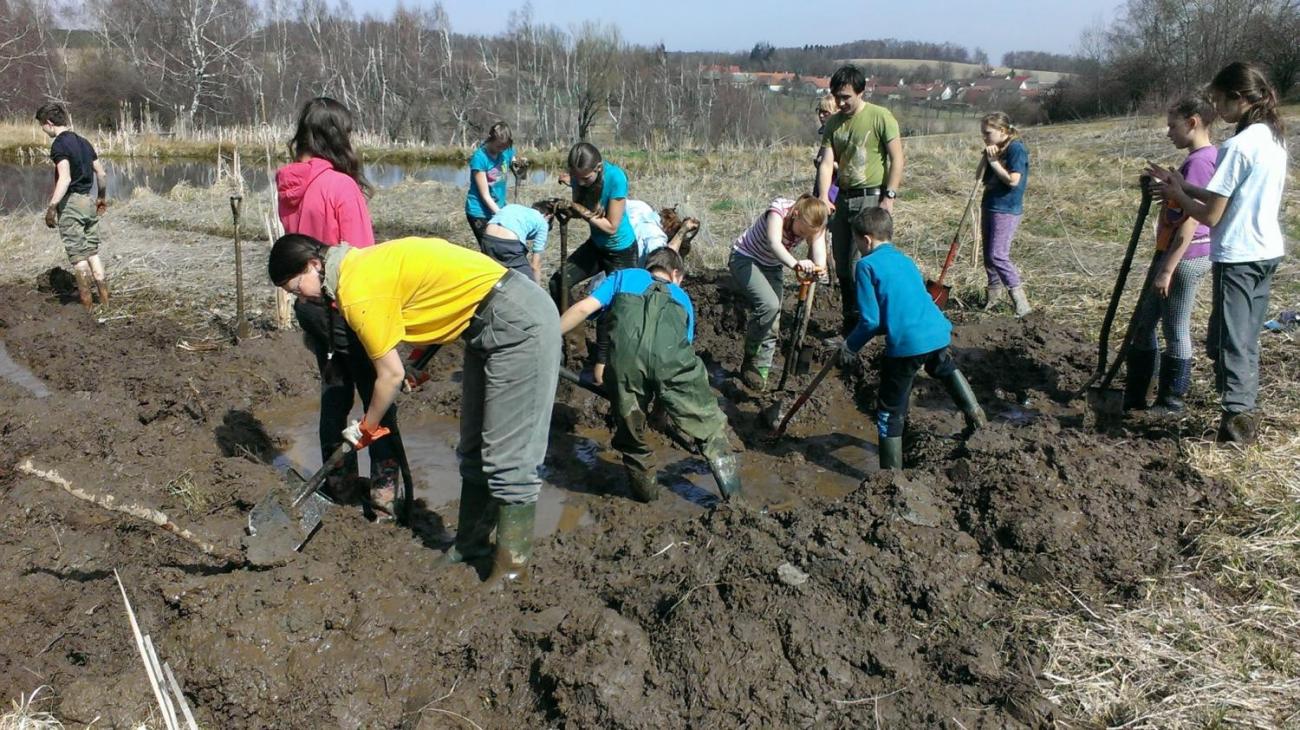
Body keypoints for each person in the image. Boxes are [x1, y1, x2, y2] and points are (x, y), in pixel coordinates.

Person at [268, 235, 560, 583]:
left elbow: (389, 376)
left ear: (314, 266)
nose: (300, 297)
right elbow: (435, 297)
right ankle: (470, 545)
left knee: (509, 458)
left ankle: (512, 568)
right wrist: (419, 359)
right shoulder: (357, 267)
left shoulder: (357, 289)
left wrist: (366, 428)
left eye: (297, 287)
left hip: (518, 322)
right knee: (472, 449)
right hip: (482, 323)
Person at [1146, 62, 1288, 445]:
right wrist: (1184, 186)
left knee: (1230, 342)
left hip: (1239, 254)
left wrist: (1178, 197)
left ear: (1238, 99)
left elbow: (1211, 215)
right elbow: (1228, 197)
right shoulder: (1272, 137)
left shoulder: (1237, 145)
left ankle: (1238, 424)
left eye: (1220, 100)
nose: (1217, 109)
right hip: (1267, 250)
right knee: (1236, 336)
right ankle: (1240, 406)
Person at [276, 97, 405, 516]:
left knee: (334, 392)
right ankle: (384, 495)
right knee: (375, 395)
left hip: (311, 309)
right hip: (347, 308)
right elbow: (364, 262)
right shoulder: (340, 187)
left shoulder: (288, 187)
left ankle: (341, 482)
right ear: (335, 135)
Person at [559, 248, 740, 503]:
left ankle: (647, 500)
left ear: (649, 267)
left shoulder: (622, 277)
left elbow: (582, 309)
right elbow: (675, 357)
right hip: (674, 362)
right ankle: (735, 498)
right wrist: (661, 410)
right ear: (675, 274)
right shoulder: (683, 298)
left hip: (625, 364)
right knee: (709, 429)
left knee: (632, 435)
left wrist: (548, 334)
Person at [836, 208, 985, 469]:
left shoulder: (866, 266)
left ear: (866, 240)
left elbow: (870, 321)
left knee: (889, 408)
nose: (858, 247)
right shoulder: (905, 260)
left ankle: (890, 475)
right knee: (944, 367)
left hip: (908, 344)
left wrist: (850, 346)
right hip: (937, 332)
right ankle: (977, 418)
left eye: (857, 242)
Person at [1124, 95, 1217, 414]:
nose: (1168, 133)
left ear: (1193, 123)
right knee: (1144, 324)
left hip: (1185, 257)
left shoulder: (1201, 162)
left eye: (1172, 126)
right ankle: (1135, 397)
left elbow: (1190, 222)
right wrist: (1166, 184)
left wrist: (1166, 269)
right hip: (1174, 254)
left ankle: (1171, 400)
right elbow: (1181, 202)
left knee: (1174, 326)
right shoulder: (1196, 160)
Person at [815, 65, 905, 335]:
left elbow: (897, 158)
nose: (841, 102)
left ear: (860, 92)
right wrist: (822, 197)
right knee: (843, 266)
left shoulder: (880, 117)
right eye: (837, 97)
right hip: (843, 197)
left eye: (846, 97)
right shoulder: (833, 123)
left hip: (871, 196)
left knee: (866, 264)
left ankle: (879, 320)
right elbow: (826, 162)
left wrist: (889, 196)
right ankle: (851, 322)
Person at [549, 142, 639, 385]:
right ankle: (575, 352)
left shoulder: (616, 179)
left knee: (611, 311)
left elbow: (611, 227)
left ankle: (605, 369)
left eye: (585, 178)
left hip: (621, 251)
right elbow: (575, 187)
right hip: (596, 246)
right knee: (558, 281)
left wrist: (578, 208)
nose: (581, 183)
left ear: (598, 168)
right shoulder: (578, 177)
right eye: (577, 178)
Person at [729, 195, 830, 391]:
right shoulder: (778, 210)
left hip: (771, 266)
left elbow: (819, 251)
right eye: (802, 231)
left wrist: (820, 268)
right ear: (796, 214)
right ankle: (751, 354)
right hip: (745, 258)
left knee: (774, 318)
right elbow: (775, 243)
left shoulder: (816, 223)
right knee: (769, 305)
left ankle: (761, 372)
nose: (804, 236)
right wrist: (796, 264)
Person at [35, 102, 109, 311]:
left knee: (78, 257)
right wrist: (101, 198)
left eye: (42, 125)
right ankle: (104, 300)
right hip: (88, 200)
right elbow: (101, 174)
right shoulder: (84, 142)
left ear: (49, 123)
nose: (43, 129)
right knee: (92, 252)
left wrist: (52, 207)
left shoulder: (59, 144)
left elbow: (65, 178)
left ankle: (87, 306)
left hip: (71, 204)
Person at [977, 112, 1032, 316]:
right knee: (989, 258)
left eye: (987, 133)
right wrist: (986, 158)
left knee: (998, 255)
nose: (984, 137)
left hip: (1006, 208)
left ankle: (1021, 302)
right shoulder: (996, 148)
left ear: (1002, 131)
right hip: (990, 204)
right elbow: (978, 177)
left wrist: (994, 162)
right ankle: (994, 299)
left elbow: (1013, 180)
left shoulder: (1016, 149)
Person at [465, 122, 515, 250]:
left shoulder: (506, 151)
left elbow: (513, 162)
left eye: (504, 146)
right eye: (499, 146)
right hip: (480, 212)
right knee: (490, 249)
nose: (501, 149)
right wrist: (502, 215)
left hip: (499, 207)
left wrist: (518, 165)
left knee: (502, 246)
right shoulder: (480, 158)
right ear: (491, 139)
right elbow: (485, 196)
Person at [483, 200, 559, 285]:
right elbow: (535, 266)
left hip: (487, 238)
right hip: (508, 245)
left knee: (495, 276)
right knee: (528, 283)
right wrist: (537, 288)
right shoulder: (543, 222)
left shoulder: (513, 207)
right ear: (548, 215)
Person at [812, 94, 840, 204]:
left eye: (826, 112)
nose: (821, 116)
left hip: (835, 189)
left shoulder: (840, 134)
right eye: (820, 111)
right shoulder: (825, 134)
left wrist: (831, 165)